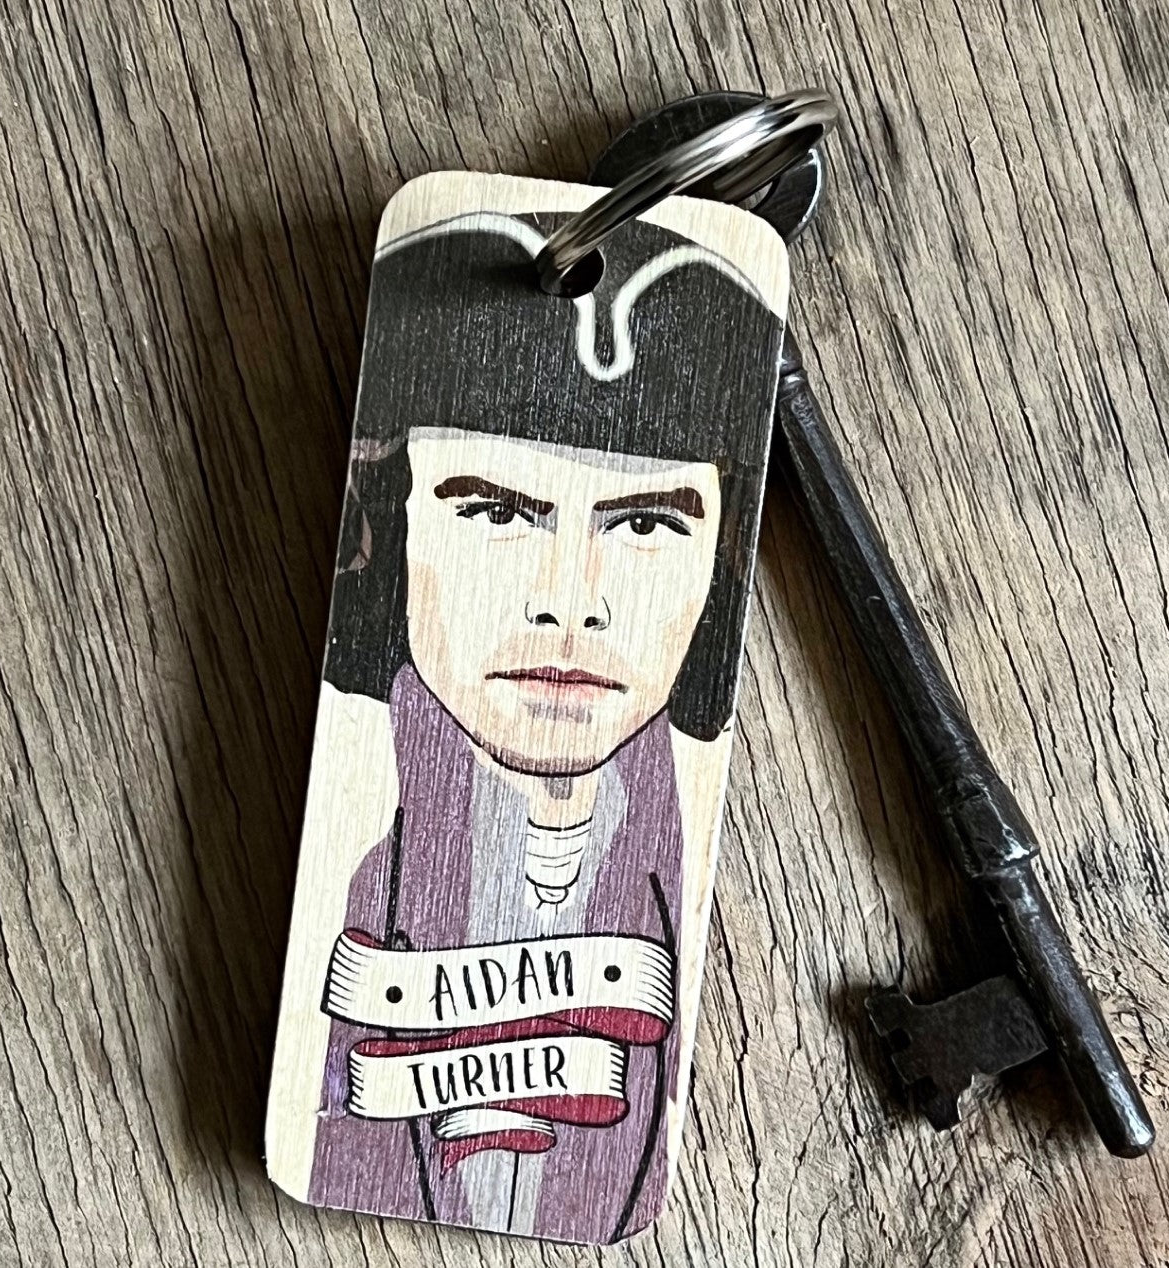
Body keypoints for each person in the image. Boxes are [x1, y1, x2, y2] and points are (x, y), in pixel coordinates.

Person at [300, 208, 782, 1242]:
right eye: (497, 512)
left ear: (720, 562)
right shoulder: (343, 852)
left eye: (644, 523)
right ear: (388, 524)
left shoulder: (698, 864)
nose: (570, 602)